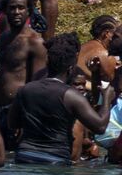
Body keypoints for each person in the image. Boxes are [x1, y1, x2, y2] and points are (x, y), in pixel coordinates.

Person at [7, 35, 114, 164]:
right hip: (55, 159)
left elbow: (12, 124)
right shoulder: (72, 96)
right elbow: (100, 126)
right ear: (70, 69)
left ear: (48, 63)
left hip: (24, 156)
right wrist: (107, 98)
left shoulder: (25, 90)